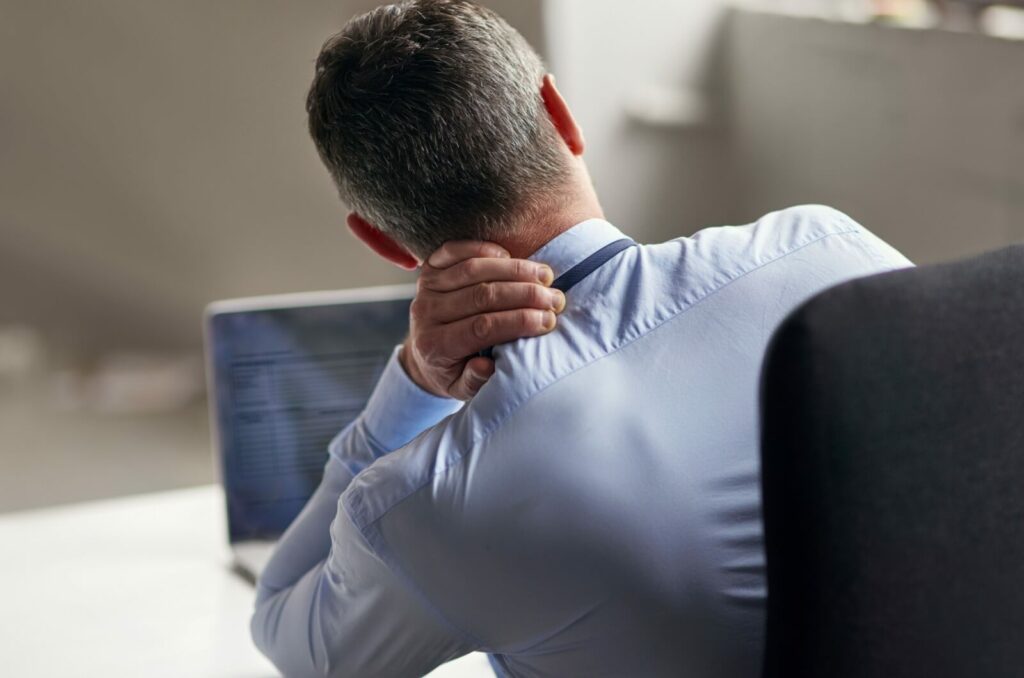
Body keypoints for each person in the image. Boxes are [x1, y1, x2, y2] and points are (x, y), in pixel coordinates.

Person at [251, 1, 912, 676]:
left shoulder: (429, 505)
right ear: (560, 113)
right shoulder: (832, 251)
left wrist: (415, 384)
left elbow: (282, 623)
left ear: (384, 242)